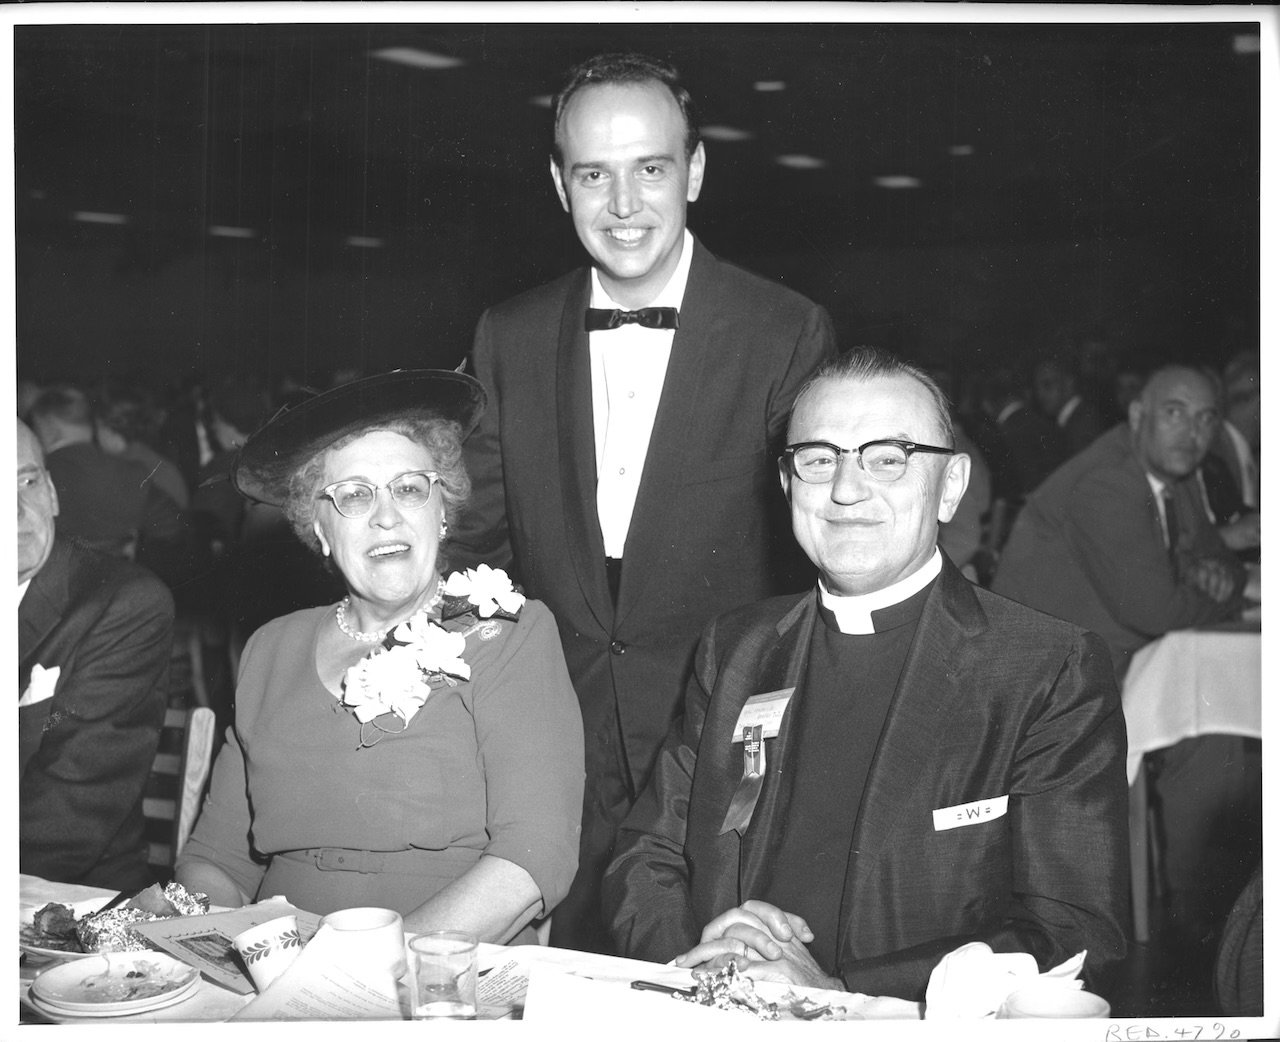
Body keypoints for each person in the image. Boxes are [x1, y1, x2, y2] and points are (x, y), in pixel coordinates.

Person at [451, 52, 835, 953]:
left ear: (694, 171)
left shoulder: (784, 330)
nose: (623, 205)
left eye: (650, 168)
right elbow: (476, 543)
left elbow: (811, 564)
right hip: (560, 732)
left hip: (722, 741)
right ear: (560, 185)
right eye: (594, 175)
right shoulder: (508, 333)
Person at [603, 349, 1129, 1001]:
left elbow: (1074, 933)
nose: (847, 490)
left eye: (888, 458)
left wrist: (840, 994)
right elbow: (647, 853)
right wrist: (696, 965)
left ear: (952, 486)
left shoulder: (1046, 668)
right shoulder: (737, 648)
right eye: (819, 459)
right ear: (788, 483)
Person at [175, 370, 584, 944]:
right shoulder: (270, 648)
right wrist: (218, 948)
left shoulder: (507, 634)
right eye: (354, 495)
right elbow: (215, 861)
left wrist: (371, 968)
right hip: (276, 962)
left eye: (410, 489)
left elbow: (534, 855)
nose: (386, 515)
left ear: (442, 509)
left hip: (440, 969)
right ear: (318, 528)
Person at [992, 364, 1250, 678]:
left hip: (1108, 658)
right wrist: (1227, 593)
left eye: (1205, 418)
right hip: (1043, 677)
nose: (1192, 433)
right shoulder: (1107, 482)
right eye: (1174, 413)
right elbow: (1158, 613)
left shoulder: (1177, 472)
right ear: (1138, 415)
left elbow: (1217, 552)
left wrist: (1220, 572)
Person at [18, 419, 174, 889]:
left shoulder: (122, 605)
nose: (17, 512)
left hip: (60, 900)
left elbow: (65, 824)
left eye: (27, 482)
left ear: (52, 493)